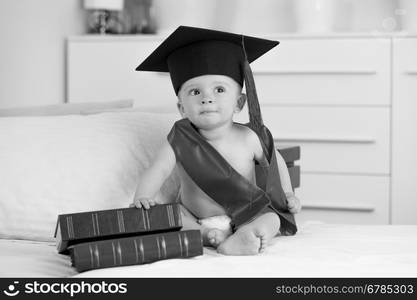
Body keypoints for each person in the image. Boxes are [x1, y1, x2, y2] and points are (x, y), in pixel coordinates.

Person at [130, 26, 301, 255]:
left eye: (219, 89)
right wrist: (142, 196)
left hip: (246, 215)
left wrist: (288, 194)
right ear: (182, 108)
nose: (207, 98)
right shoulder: (179, 139)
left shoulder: (249, 138)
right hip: (197, 217)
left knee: (272, 218)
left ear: (239, 104)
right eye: (194, 92)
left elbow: (275, 161)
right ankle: (206, 235)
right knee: (171, 215)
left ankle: (246, 236)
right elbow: (158, 169)